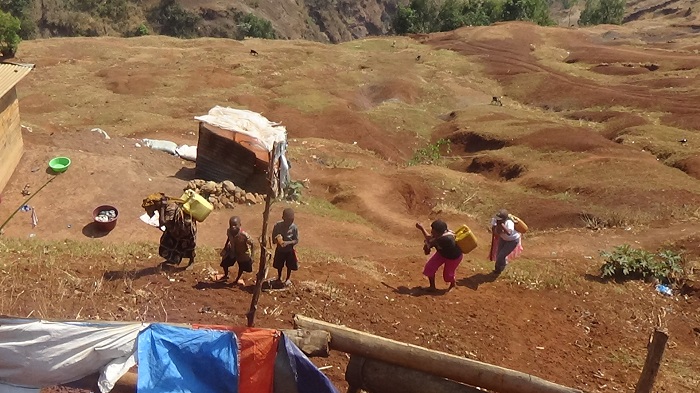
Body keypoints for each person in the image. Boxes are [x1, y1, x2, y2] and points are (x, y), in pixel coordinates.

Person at [142, 193, 197, 269]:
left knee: (188, 246)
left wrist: (162, 209)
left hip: (184, 229)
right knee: (167, 244)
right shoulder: (162, 206)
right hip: (174, 229)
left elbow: (163, 222)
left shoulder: (170, 207)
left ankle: (191, 262)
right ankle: (172, 260)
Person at [415, 220, 463, 292]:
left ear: (439, 232)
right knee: (429, 267)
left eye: (433, 231)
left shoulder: (446, 239)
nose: (432, 232)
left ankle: (453, 284)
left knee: (447, 276)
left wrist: (427, 246)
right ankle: (432, 287)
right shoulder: (440, 235)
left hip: (453, 257)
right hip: (442, 253)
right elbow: (430, 239)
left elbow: (430, 241)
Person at [219, 216, 255, 285]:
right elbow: (229, 238)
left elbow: (252, 244)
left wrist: (252, 256)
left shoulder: (244, 235)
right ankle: (226, 275)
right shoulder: (229, 231)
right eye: (231, 225)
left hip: (242, 253)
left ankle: (237, 280)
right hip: (232, 250)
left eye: (235, 225)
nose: (233, 227)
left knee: (241, 267)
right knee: (224, 262)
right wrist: (225, 247)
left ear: (240, 225)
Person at [489, 209, 522, 275]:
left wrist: (502, 225)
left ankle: (498, 269)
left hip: (512, 241)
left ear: (504, 219)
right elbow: (494, 231)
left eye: (499, 219)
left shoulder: (509, 222)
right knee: (499, 254)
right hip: (503, 239)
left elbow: (509, 232)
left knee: (501, 256)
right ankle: (502, 265)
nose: (497, 220)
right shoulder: (495, 221)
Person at [272, 208, 299, 286]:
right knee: (279, 265)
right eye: (288, 220)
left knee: (289, 265)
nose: (290, 222)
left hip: (289, 250)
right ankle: (279, 277)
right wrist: (278, 240)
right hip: (280, 250)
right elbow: (273, 240)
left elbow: (296, 240)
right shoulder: (277, 226)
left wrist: (288, 243)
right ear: (283, 218)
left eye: (292, 220)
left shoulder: (294, 228)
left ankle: (287, 279)